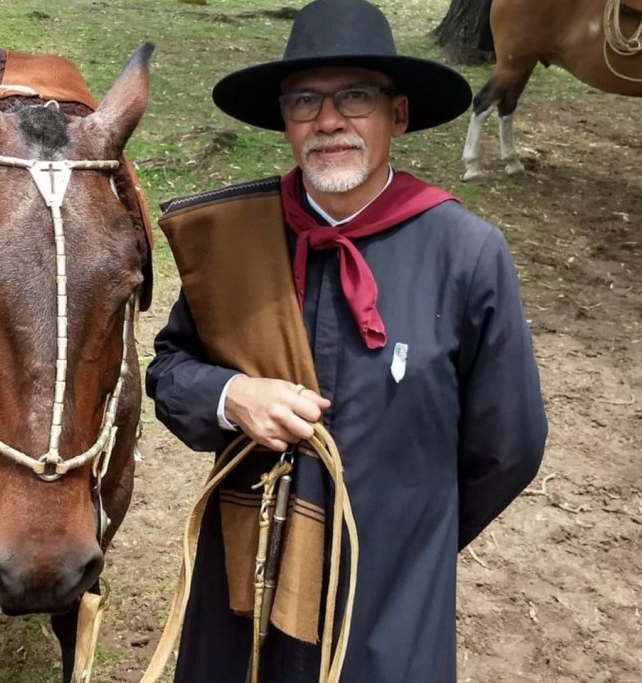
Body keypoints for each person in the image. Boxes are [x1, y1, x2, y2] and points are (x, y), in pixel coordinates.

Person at [144, 0, 548, 681]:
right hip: (246, 586)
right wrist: (230, 393)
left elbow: (508, 445)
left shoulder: (466, 254)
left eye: (354, 97)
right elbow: (168, 369)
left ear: (398, 115)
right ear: (285, 121)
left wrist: (413, 531)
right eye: (306, 101)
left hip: (388, 603)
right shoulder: (237, 238)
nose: (328, 120)